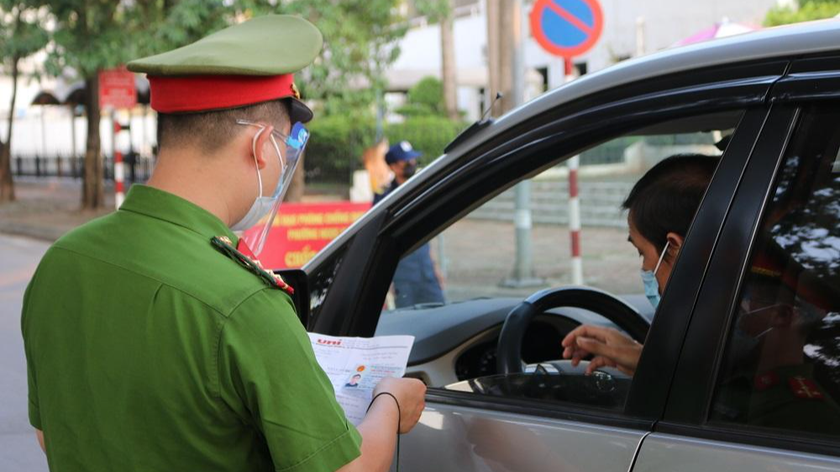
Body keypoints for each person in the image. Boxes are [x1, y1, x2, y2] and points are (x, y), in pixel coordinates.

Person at [20, 16, 425, 472]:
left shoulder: (61, 263)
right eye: (285, 149)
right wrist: (390, 402)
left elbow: (47, 433)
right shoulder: (243, 303)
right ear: (259, 146)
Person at [561, 154, 719, 376]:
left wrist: (653, 366)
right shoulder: (735, 319)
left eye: (641, 253)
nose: (644, 269)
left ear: (674, 247)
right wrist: (645, 359)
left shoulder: (746, 328)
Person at [375, 141, 445, 308]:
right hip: (402, 276)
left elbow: (425, 234)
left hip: (426, 271)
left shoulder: (418, 192)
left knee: (439, 313)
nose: (412, 164)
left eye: (413, 160)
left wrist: (435, 268)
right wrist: (385, 280)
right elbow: (380, 242)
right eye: (406, 161)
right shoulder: (384, 200)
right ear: (393, 167)